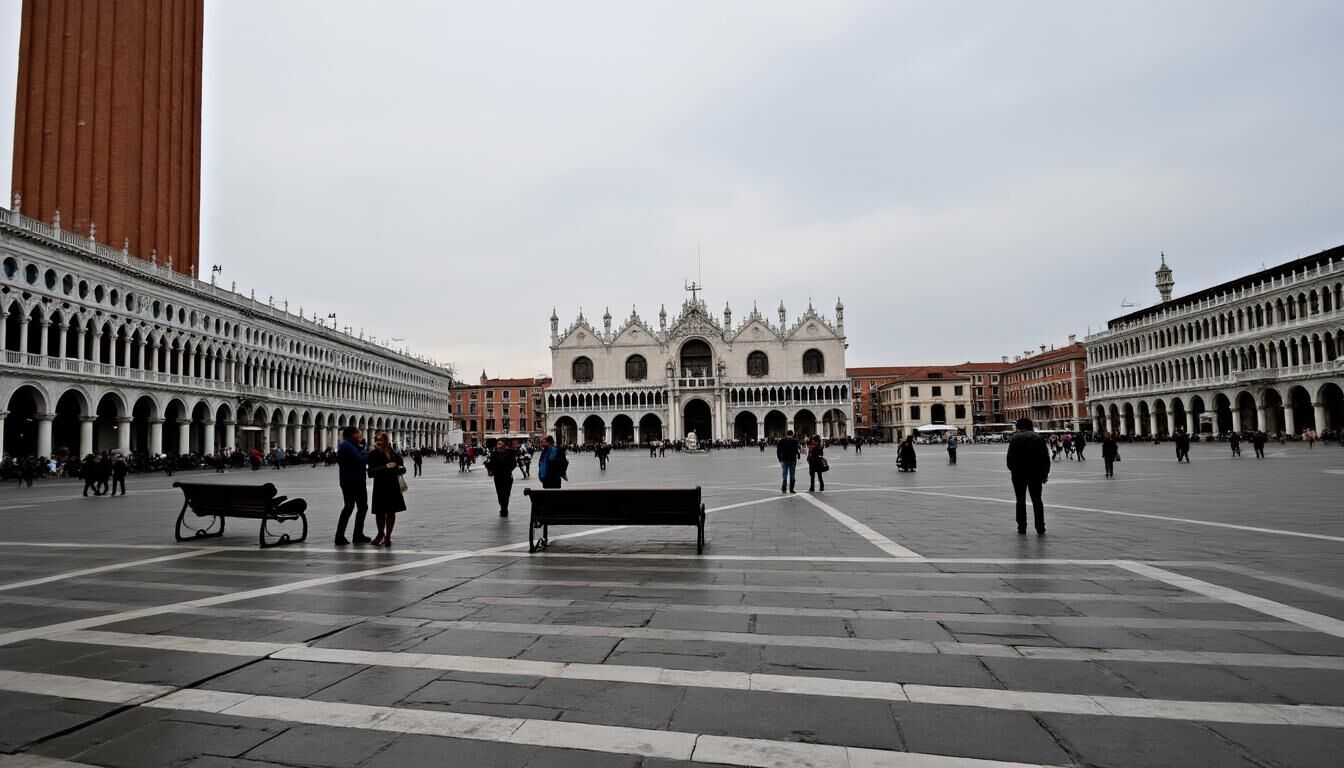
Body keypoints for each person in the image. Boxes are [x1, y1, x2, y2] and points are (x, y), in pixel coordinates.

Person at [1006, 417, 1050, 535]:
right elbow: (1045, 457)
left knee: (1020, 500)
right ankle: (1040, 526)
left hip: (1018, 473)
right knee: (1037, 500)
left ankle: (1022, 526)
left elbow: (1009, 458)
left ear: (1019, 426)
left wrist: (1013, 470)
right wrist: (1045, 474)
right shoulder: (1038, 438)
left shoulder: (1014, 438)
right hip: (1035, 473)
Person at [335, 426, 373, 546]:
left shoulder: (348, 445)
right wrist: (373, 454)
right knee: (357, 507)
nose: (361, 436)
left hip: (350, 480)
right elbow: (361, 459)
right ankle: (349, 536)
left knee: (352, 507)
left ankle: (351, 535)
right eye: (359, 434)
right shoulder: (348, 446)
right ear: (353, 435)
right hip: (354, 481)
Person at [366, 431, 405, 546]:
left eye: (381, 440)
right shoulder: (373, 454)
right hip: (380, 486)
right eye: (377, 440)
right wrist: (385, 467)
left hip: (393, 486)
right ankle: (380, 534)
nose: (378, 442)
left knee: (391, 512)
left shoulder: (394, 453)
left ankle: (388, 536)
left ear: (386, 441)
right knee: (379, 512)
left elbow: (401, 468)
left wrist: (400, 468)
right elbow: (370, 473)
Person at [486, 439, 517, 517]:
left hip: (507, 476)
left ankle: (504, 509)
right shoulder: (493, 453)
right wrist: (489, 469)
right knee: (499, 493)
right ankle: (503, 507)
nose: (498, 444)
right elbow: (491, 463)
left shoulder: (510, 452)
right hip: (497, 476)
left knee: (506, 493)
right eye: (498, 443)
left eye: (500, 443)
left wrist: (508, 469)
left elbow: (514, 464)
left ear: (505, 445)